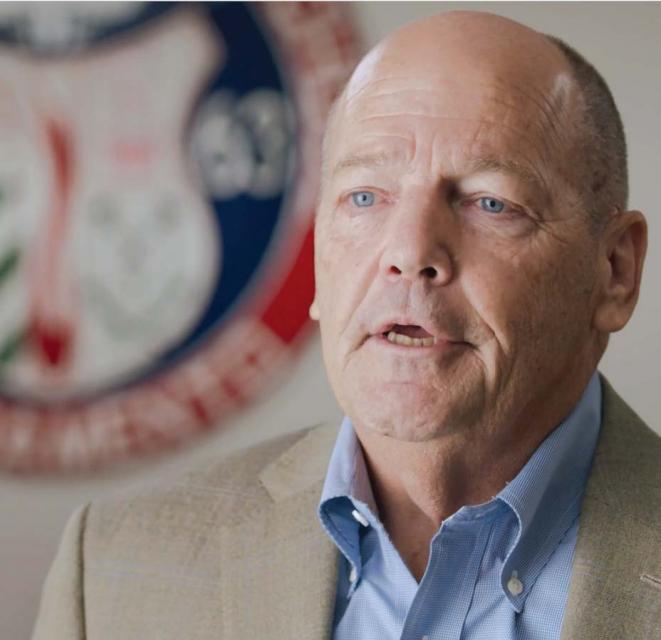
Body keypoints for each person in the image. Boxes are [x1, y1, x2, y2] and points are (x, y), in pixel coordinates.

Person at [33, 11, 660, 640]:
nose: (409, 252)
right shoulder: (114, 568)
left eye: (489, 202)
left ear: (615, 271)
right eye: (365, 196)